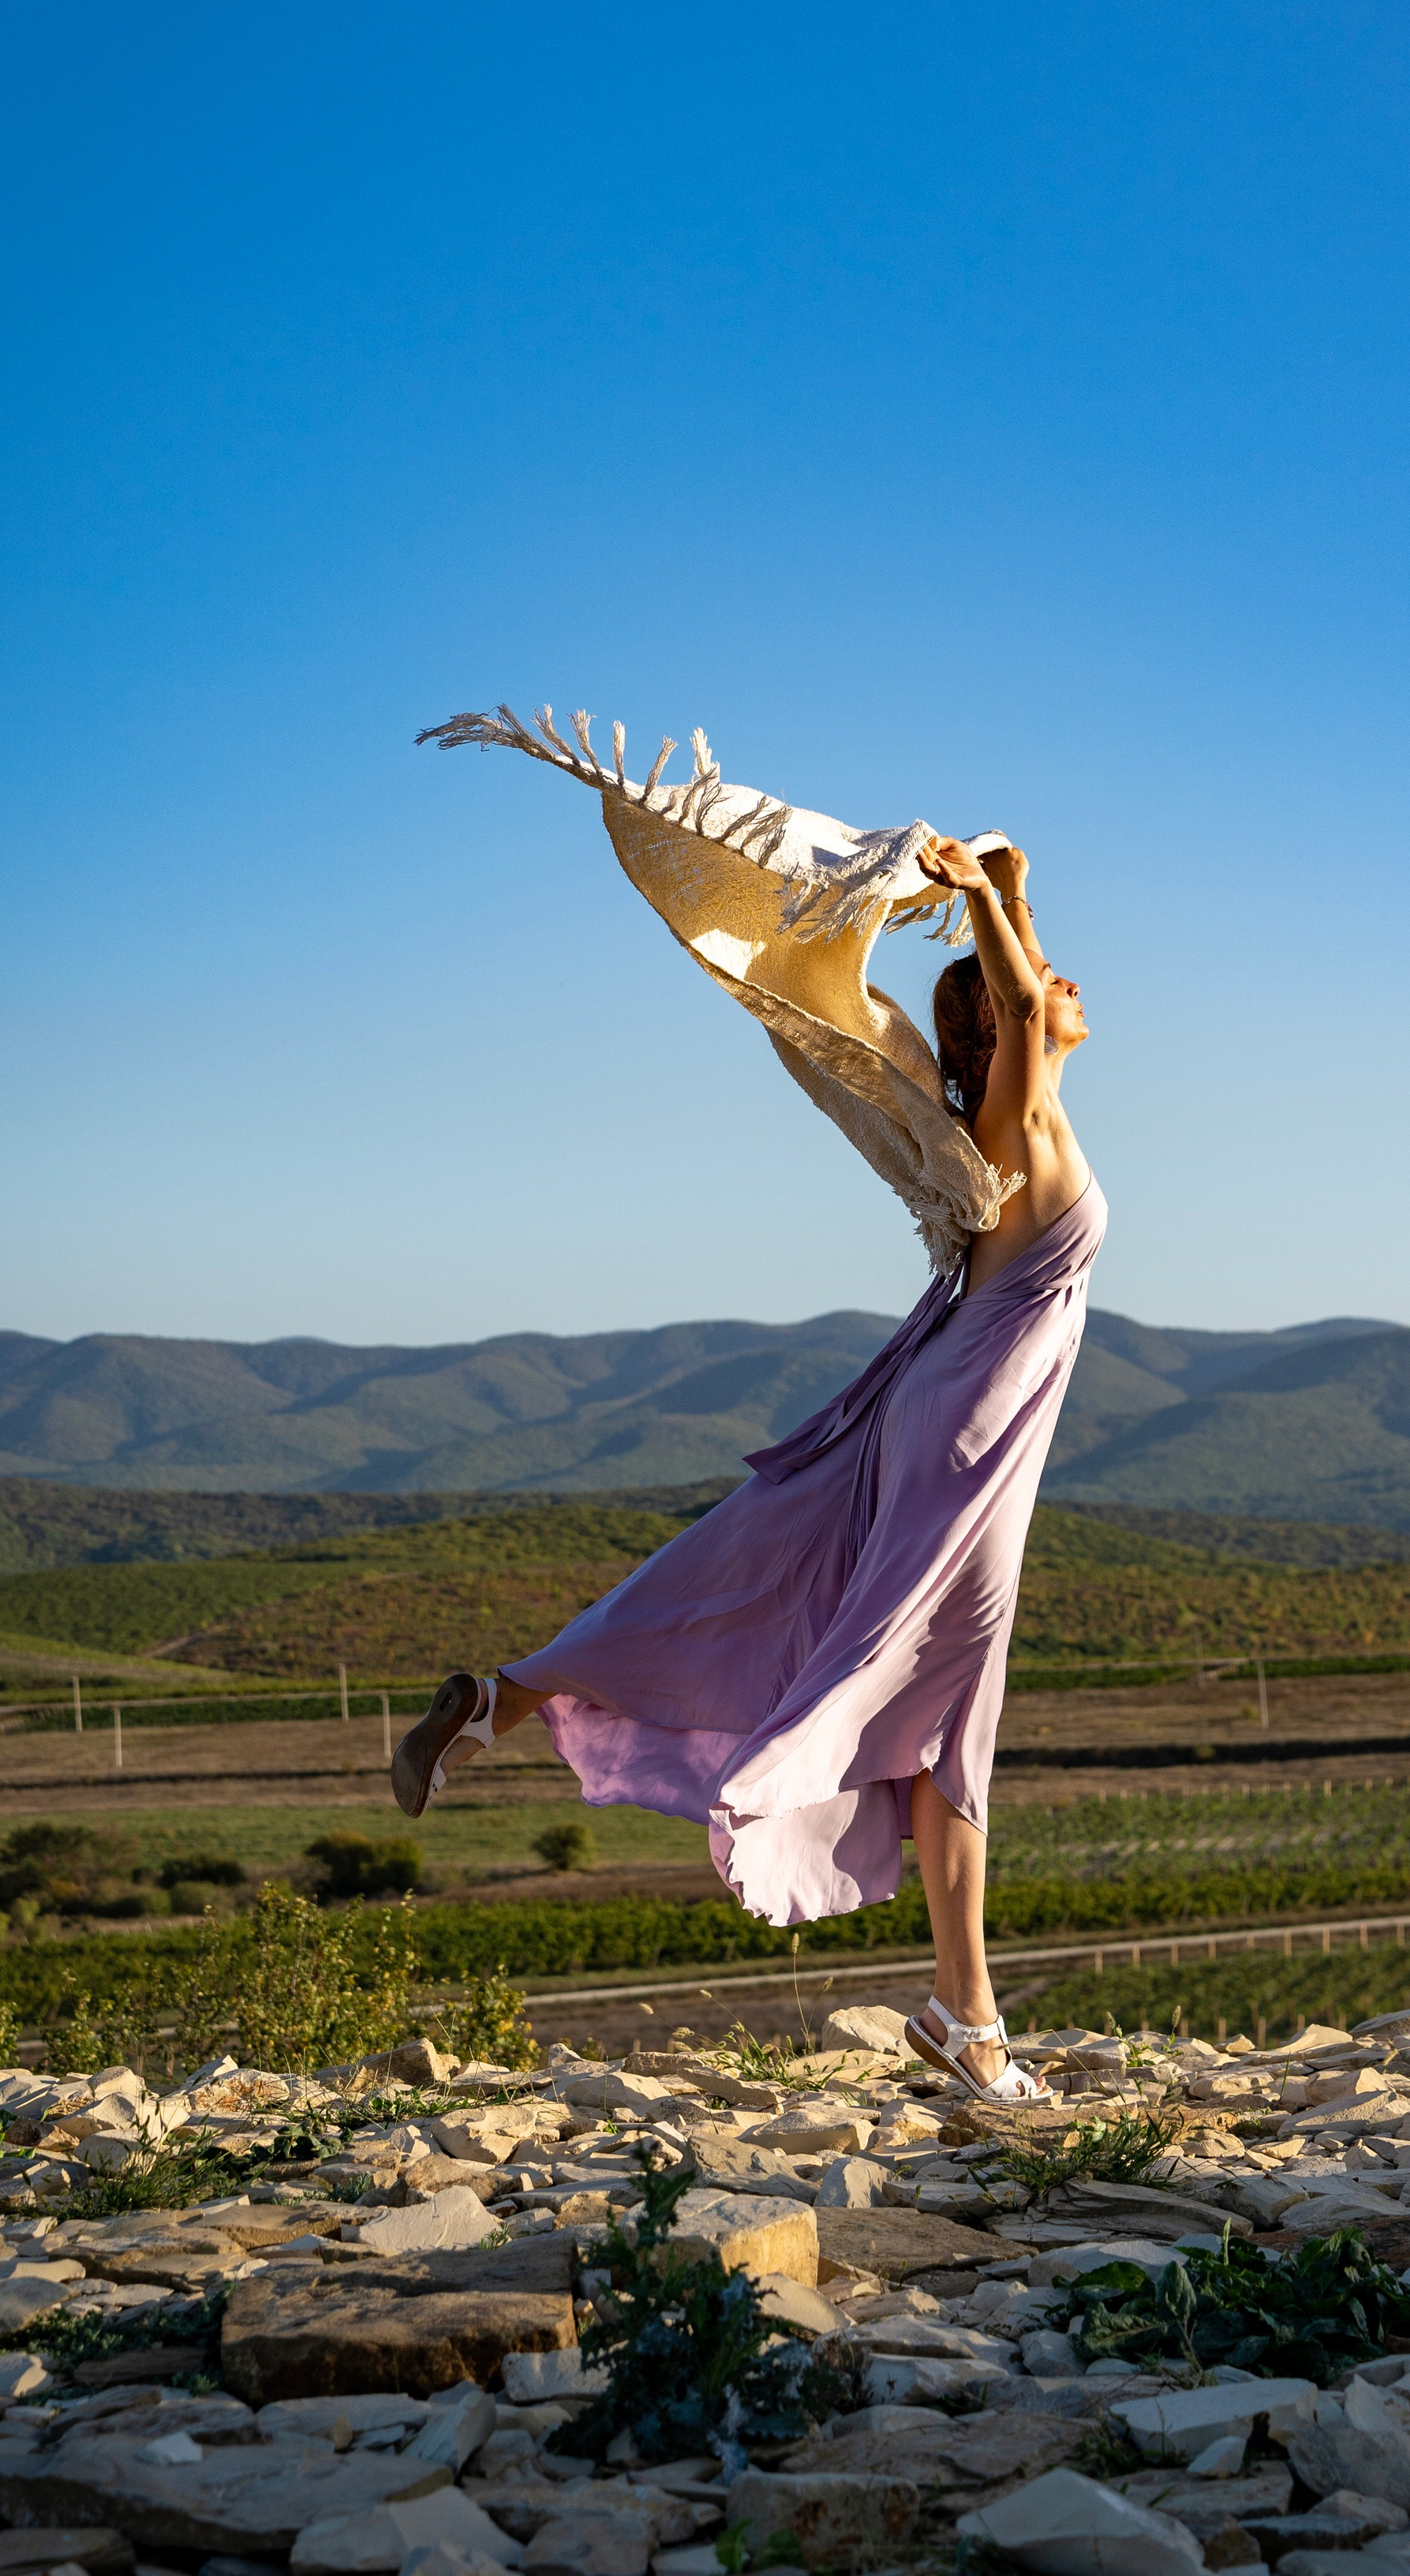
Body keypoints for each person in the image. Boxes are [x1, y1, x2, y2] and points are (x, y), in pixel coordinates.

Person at [391, 838, 1102, 2100]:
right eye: (1052, 978)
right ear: (1015, 1022)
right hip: (966, 1440)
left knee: (800, 1602)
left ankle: (507, 1697)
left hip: (944, 1415)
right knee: (948, 1711)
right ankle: (968, 2019)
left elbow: (1020, 993)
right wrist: (989, 905)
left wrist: (1014, 893)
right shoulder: (1021, 1120)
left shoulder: (1007, 1129)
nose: (1077, 986)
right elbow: (1019, 1003)